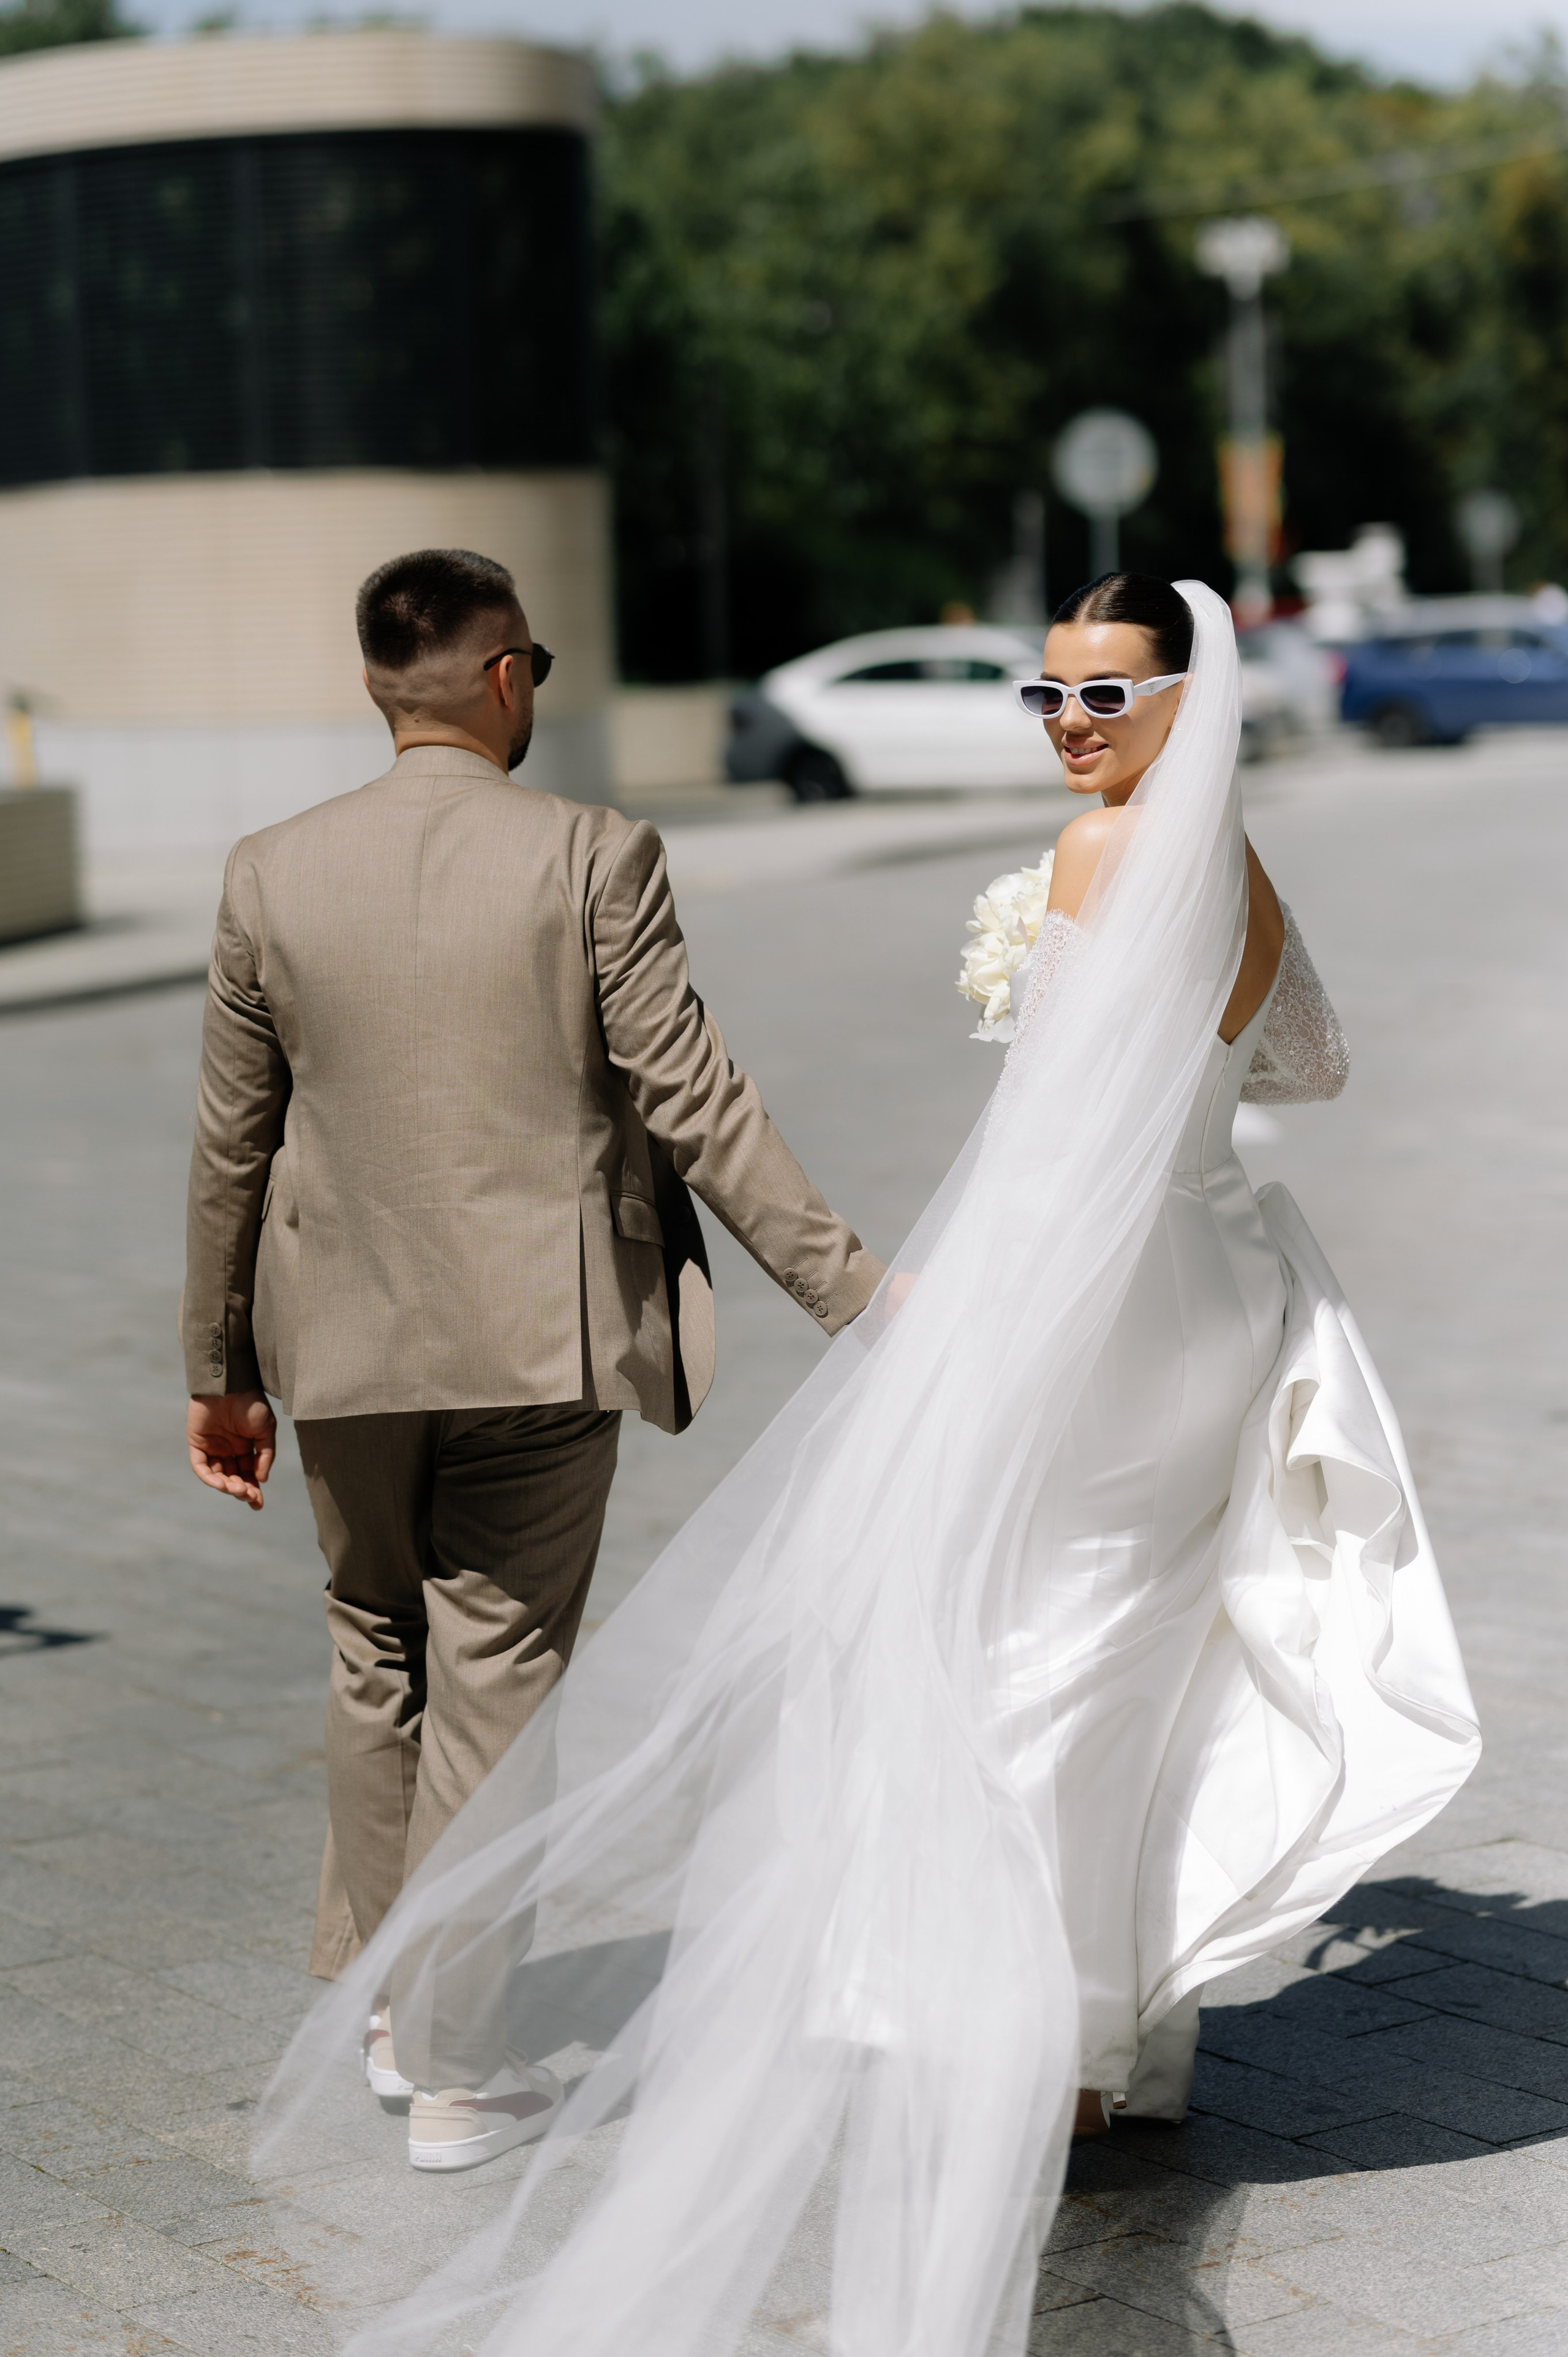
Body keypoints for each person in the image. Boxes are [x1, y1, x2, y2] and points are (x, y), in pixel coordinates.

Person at [260, 576, 1478, 2357]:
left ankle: (1039, 2065)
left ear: (1179, 697)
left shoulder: (1087, 868)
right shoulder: (1239, 862)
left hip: (1095, 1299)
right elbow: (1321, 1062)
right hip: (1216, 1288)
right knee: (1150, 1651)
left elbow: (1054, 1138)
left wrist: (962, 1313)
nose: (1070, 728)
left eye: (1103, 698)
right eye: (1045, 699)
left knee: (1036, 1654)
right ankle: (1125, 2047)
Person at [182, 546, 884, 2170]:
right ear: (504, 678)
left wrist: (217, 1364)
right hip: (536, 1342)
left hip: (333, 1344)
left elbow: (231, 1140)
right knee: (496, 1676)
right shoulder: (591, 853)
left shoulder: (266, 871)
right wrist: (851, 1293)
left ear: (379, 687)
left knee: (377, 1656)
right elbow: (694, 1098)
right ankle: (459, 2068)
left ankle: (380, 2010)